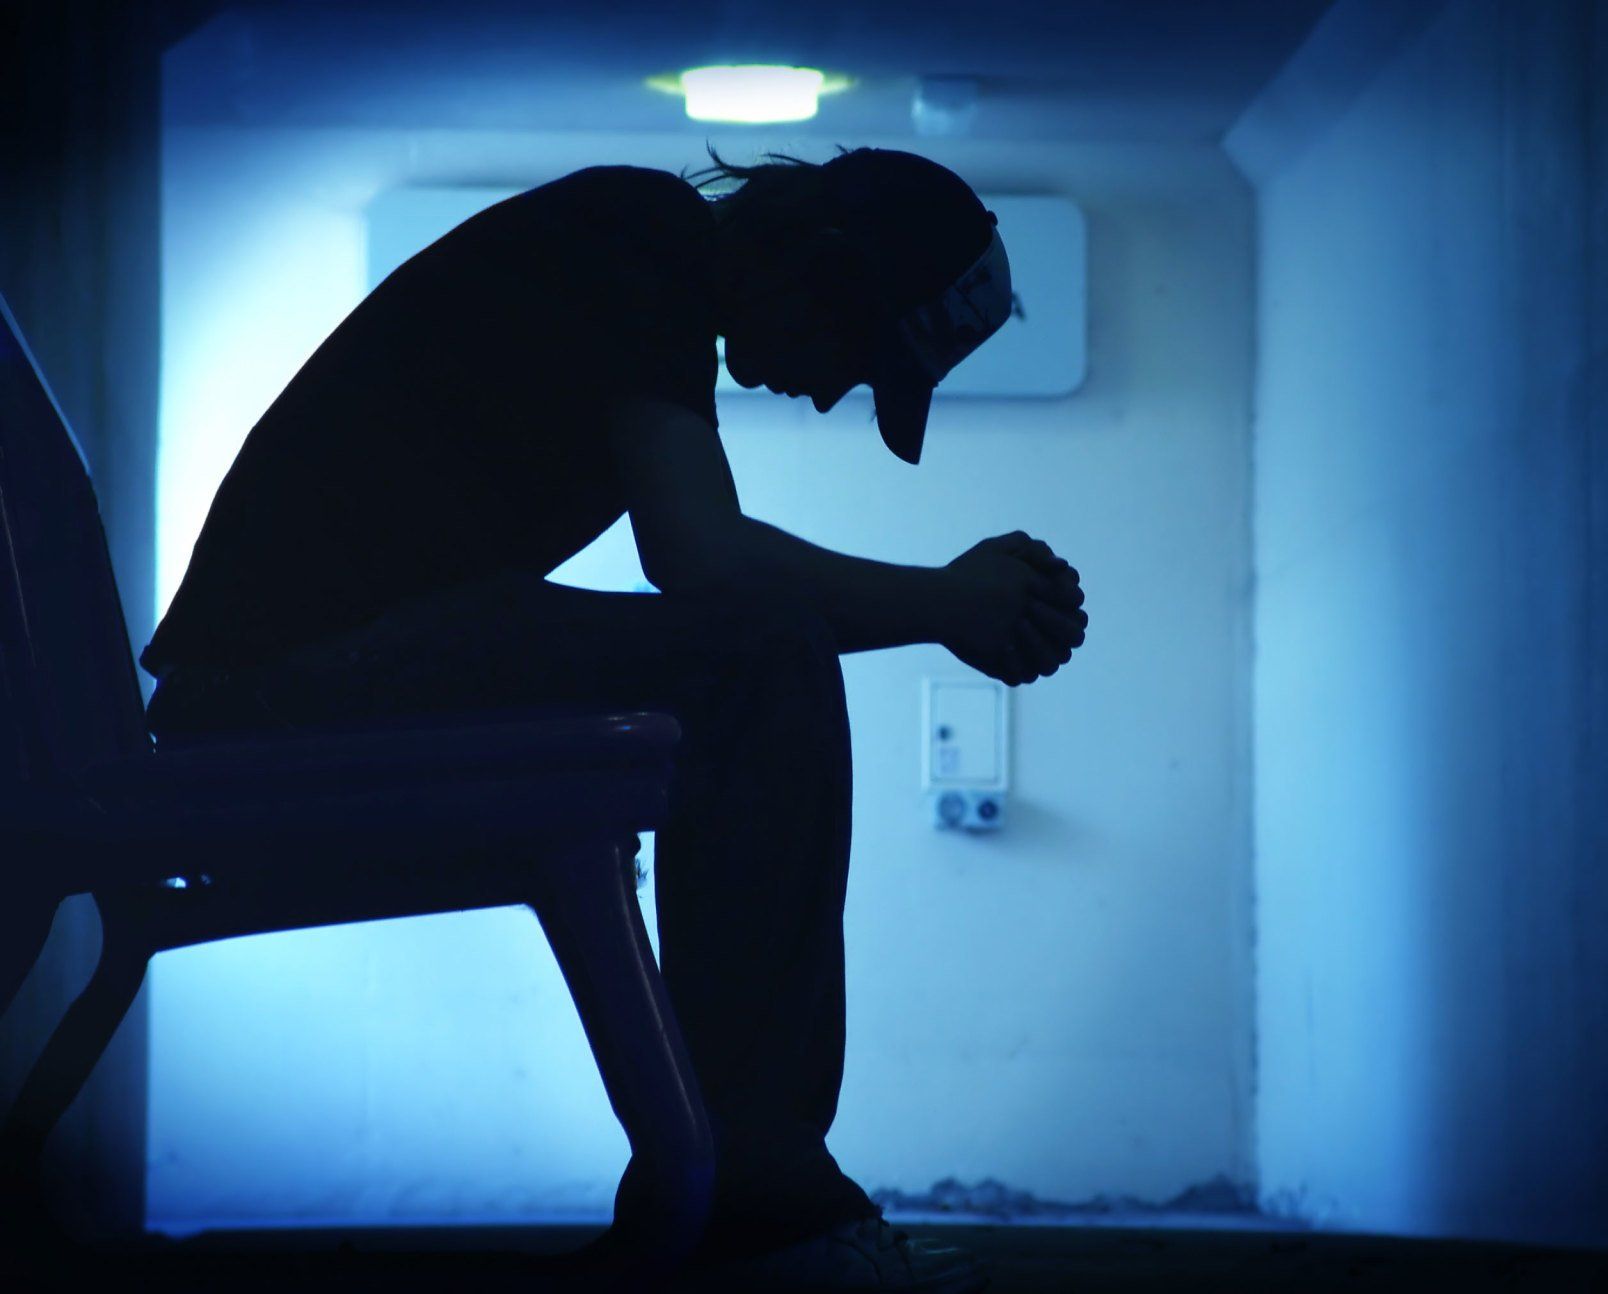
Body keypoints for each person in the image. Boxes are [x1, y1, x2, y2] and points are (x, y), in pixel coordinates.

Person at [140, 145, 1088, 1292]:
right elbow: (703, 560)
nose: (836, 392)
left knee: (746, 652)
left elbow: (695, 573)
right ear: (820, 267)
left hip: (284, 684)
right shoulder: (639, 233)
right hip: (264, 700)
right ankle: (762, 1196)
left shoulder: (646, 258)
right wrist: (950, 602)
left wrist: (950, 605)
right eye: (861, 354)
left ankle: (735, 1181)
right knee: (757, 652)